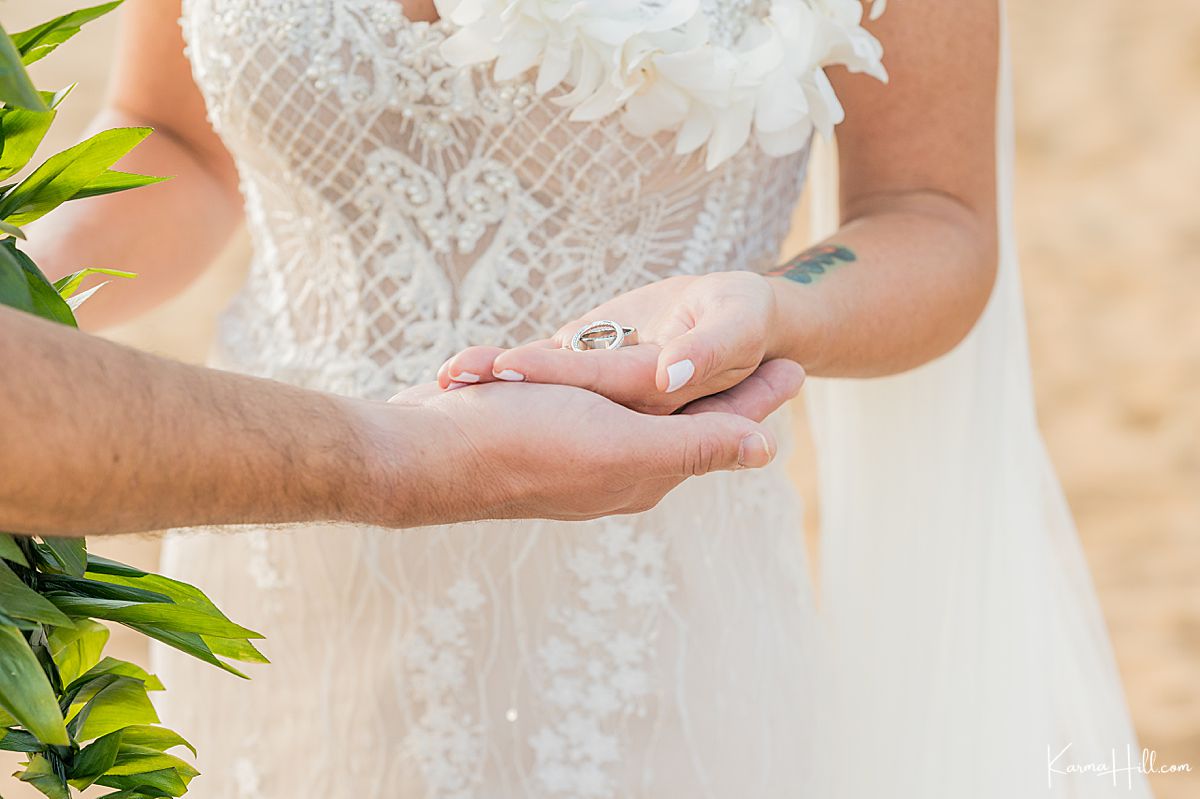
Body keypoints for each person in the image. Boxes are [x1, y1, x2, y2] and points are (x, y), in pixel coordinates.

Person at [29, 0, 1149, 796]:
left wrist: (768, 308)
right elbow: (175, 142)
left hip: (641, 581)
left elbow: (932, 212)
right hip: (283, 545)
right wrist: (23, 275)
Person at [0, 305, 801, 534]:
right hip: (253, 475)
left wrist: (779, 304)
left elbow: (922, 204)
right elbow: (167, 121)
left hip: (663, 557)